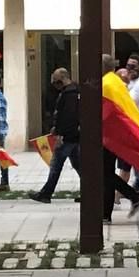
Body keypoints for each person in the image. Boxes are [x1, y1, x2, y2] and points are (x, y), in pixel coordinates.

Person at [102, 54, 139, 223]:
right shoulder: (113, 81)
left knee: (105, 173)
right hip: (112, 135)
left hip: (108, 135)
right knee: (106, 174)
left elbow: (108, 111)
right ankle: (106, 213)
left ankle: (134, 196)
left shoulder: (107, 84)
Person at [29, 68, 81, 203]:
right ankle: (90, 191)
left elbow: (69, 117)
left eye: (56, 82)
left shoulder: (69, 94)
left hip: (66, 137)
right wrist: (56, 128)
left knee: (56, 165)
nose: (54, 85)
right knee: (79, 165)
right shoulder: (72, 91)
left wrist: (60, 134)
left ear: (64, 78)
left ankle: (46, 194)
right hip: (73, 136)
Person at [116, 54, 139, 198]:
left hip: (134, 130)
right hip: (127, 130)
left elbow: (125, 103)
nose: (130, 69)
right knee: (126, 166)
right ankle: (124, 194)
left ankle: (121, 195)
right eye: (128, 66)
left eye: (133, 66)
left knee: (125, 166)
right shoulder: (130, 82)